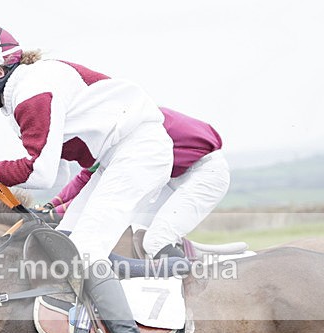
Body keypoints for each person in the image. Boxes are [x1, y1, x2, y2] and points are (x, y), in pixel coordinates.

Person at [0, 22, 174, 333]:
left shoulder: (32, 92)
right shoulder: (21, 93)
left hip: (135, 154)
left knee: (85, 251)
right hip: (116, 158)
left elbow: (40, 172)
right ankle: (158, 273)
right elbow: (60, 169)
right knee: (65, 243)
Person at [40, 107, 230, 258]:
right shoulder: (112, 128)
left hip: (206, 173)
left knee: (155, 242)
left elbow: (108, 193)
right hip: (173, 176)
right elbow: (87, 177)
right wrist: (51, 205)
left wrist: (53, 214)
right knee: (132, 234)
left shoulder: (124, 129)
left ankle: (199, 290)